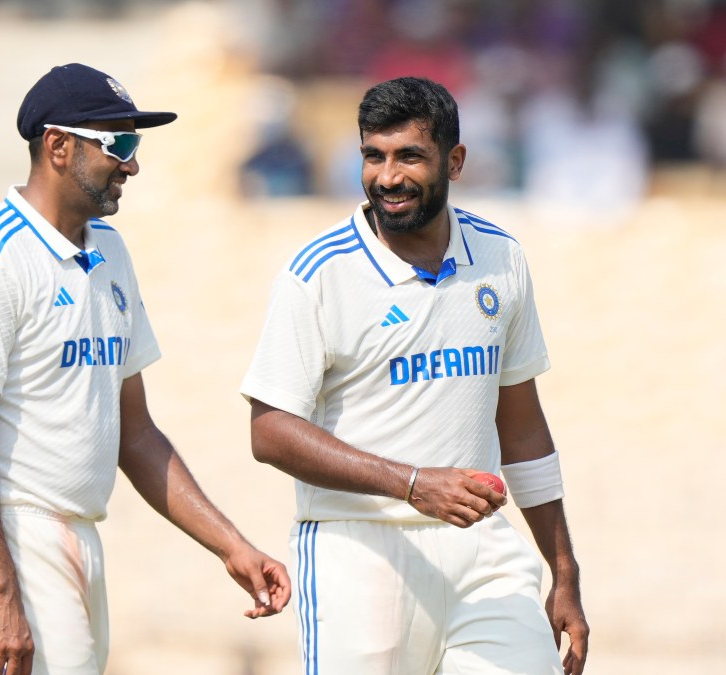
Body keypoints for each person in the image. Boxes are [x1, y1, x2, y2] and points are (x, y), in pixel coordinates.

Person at [0, 63, 290, 675]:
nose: (132, 164)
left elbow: (136, 432)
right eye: (117, 143)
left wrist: (232, 548)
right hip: (9, 528)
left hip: (76, 528)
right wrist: (1, 586)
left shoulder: (110, 252)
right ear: (58, 146)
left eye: (135, 144)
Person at [240, 76, 589, 675]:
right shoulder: (319, 274)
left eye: (409, 156)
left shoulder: (500, 256)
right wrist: (412, 483)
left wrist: (563, 569)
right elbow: (269, 431)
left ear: (454, 161)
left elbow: (523, 424)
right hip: (360, 548)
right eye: (373, 156)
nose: (388, 177)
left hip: (483, 549)